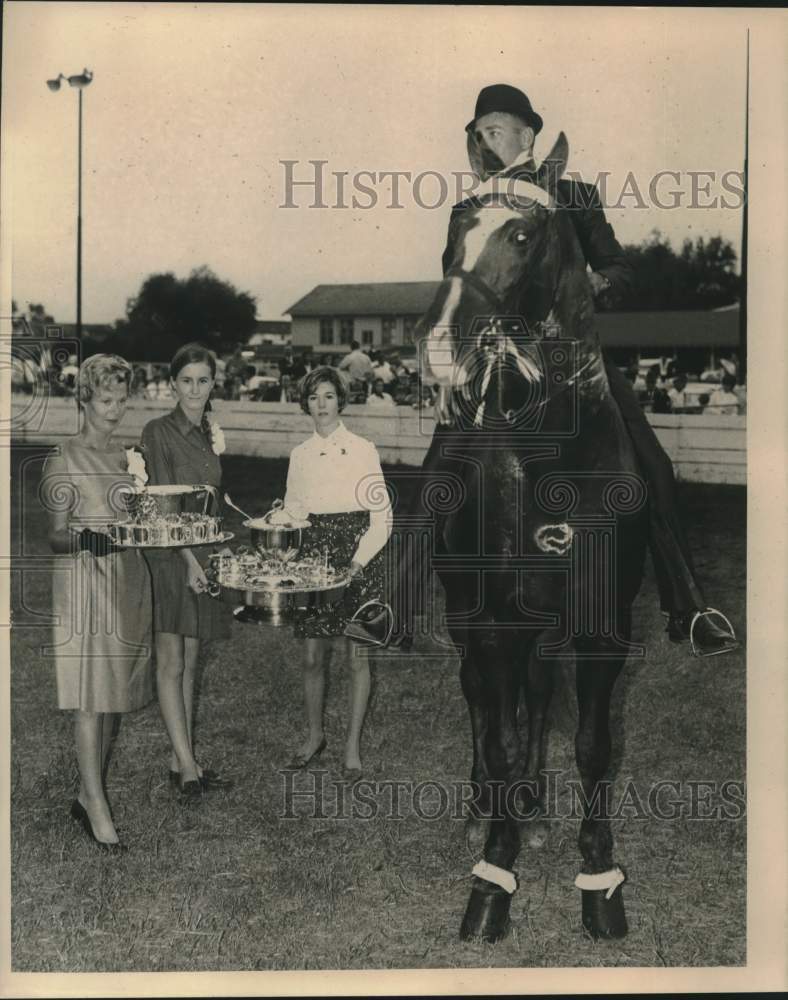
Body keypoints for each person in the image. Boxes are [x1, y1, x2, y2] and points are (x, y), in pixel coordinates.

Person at [360, 83, 738, 657]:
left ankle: (688, 604)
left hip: (570, 358)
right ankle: (394, 603)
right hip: (494, 359)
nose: (482, 136)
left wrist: (593, 282)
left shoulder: (576, 196)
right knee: (439, 461)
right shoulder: (471, 208)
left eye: (494, 126)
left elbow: (620, 266)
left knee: (652, 463)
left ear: (527, 135)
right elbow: (458, 282)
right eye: (477, 129)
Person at [41, 354, 154, 850]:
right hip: (86, 583)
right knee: (91, 696)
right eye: (106, 399)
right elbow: (55, 538)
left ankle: (87, 795)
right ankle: (96, 806)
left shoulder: (129, 459)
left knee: (114, 695)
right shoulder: (62, 458)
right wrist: (91, 542)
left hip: (127, 580)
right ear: (84, 400)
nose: (115, 409)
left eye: (121, 399)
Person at [283, 366, 392, 781]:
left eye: (328, 396)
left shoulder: (364, 449)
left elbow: (382, 518)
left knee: (357, 655)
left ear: (340, 401)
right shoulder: (299, 454)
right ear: (305, 403)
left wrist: (358, 561)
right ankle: (314, 736)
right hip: (315, 556)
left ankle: (352, 747)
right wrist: (278, 525)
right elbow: (295, 511)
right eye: (313, 398)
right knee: (312, 656)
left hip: (360, 555)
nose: (321, 405)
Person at [141, 342, 234, 799]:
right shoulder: (157, 431)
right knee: (171, 659)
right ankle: (190, 768)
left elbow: (212, 501)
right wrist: (189, 560)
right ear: (173, 384)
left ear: (213, 383)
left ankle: (181, 759)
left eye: (203, 380)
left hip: (206, 552)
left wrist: (213, 555)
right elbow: (159, 504)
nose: (194, 388)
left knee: (193, 659)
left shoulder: (210, 434)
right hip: (170, 555)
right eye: (186, 381)